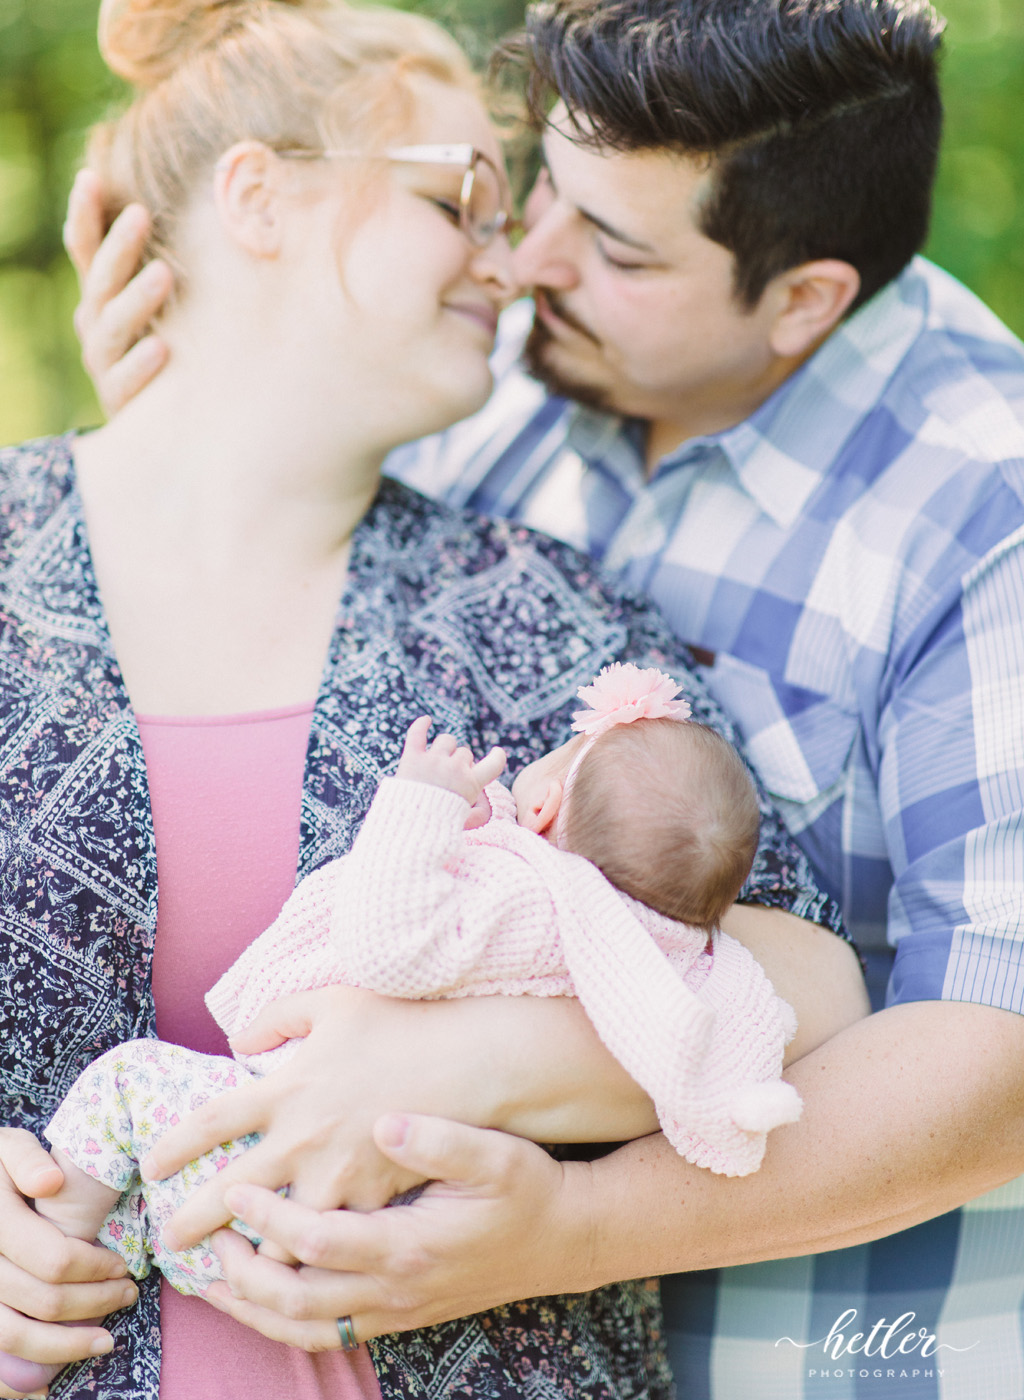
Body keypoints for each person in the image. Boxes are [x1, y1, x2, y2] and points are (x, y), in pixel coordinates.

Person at [64, 0, 1024, 1397]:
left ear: (806, 297)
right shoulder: (489, 392)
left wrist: (574, 1226)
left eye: (617, 249)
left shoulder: (985, 509)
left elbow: (1002, 1058)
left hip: (829, 1356)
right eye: (542, 194)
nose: (523, 263)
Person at [28, 665, 798, 1375]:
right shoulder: (661, 951)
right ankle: (81, 1285)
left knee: (127, 1084)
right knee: (152, 1187)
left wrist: (421, 803)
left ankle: (47, 1261)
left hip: (279, 1155)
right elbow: (740, 1015)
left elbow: (390, 946)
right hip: (382, 1232)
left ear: (542, 805)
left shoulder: (520, 893)